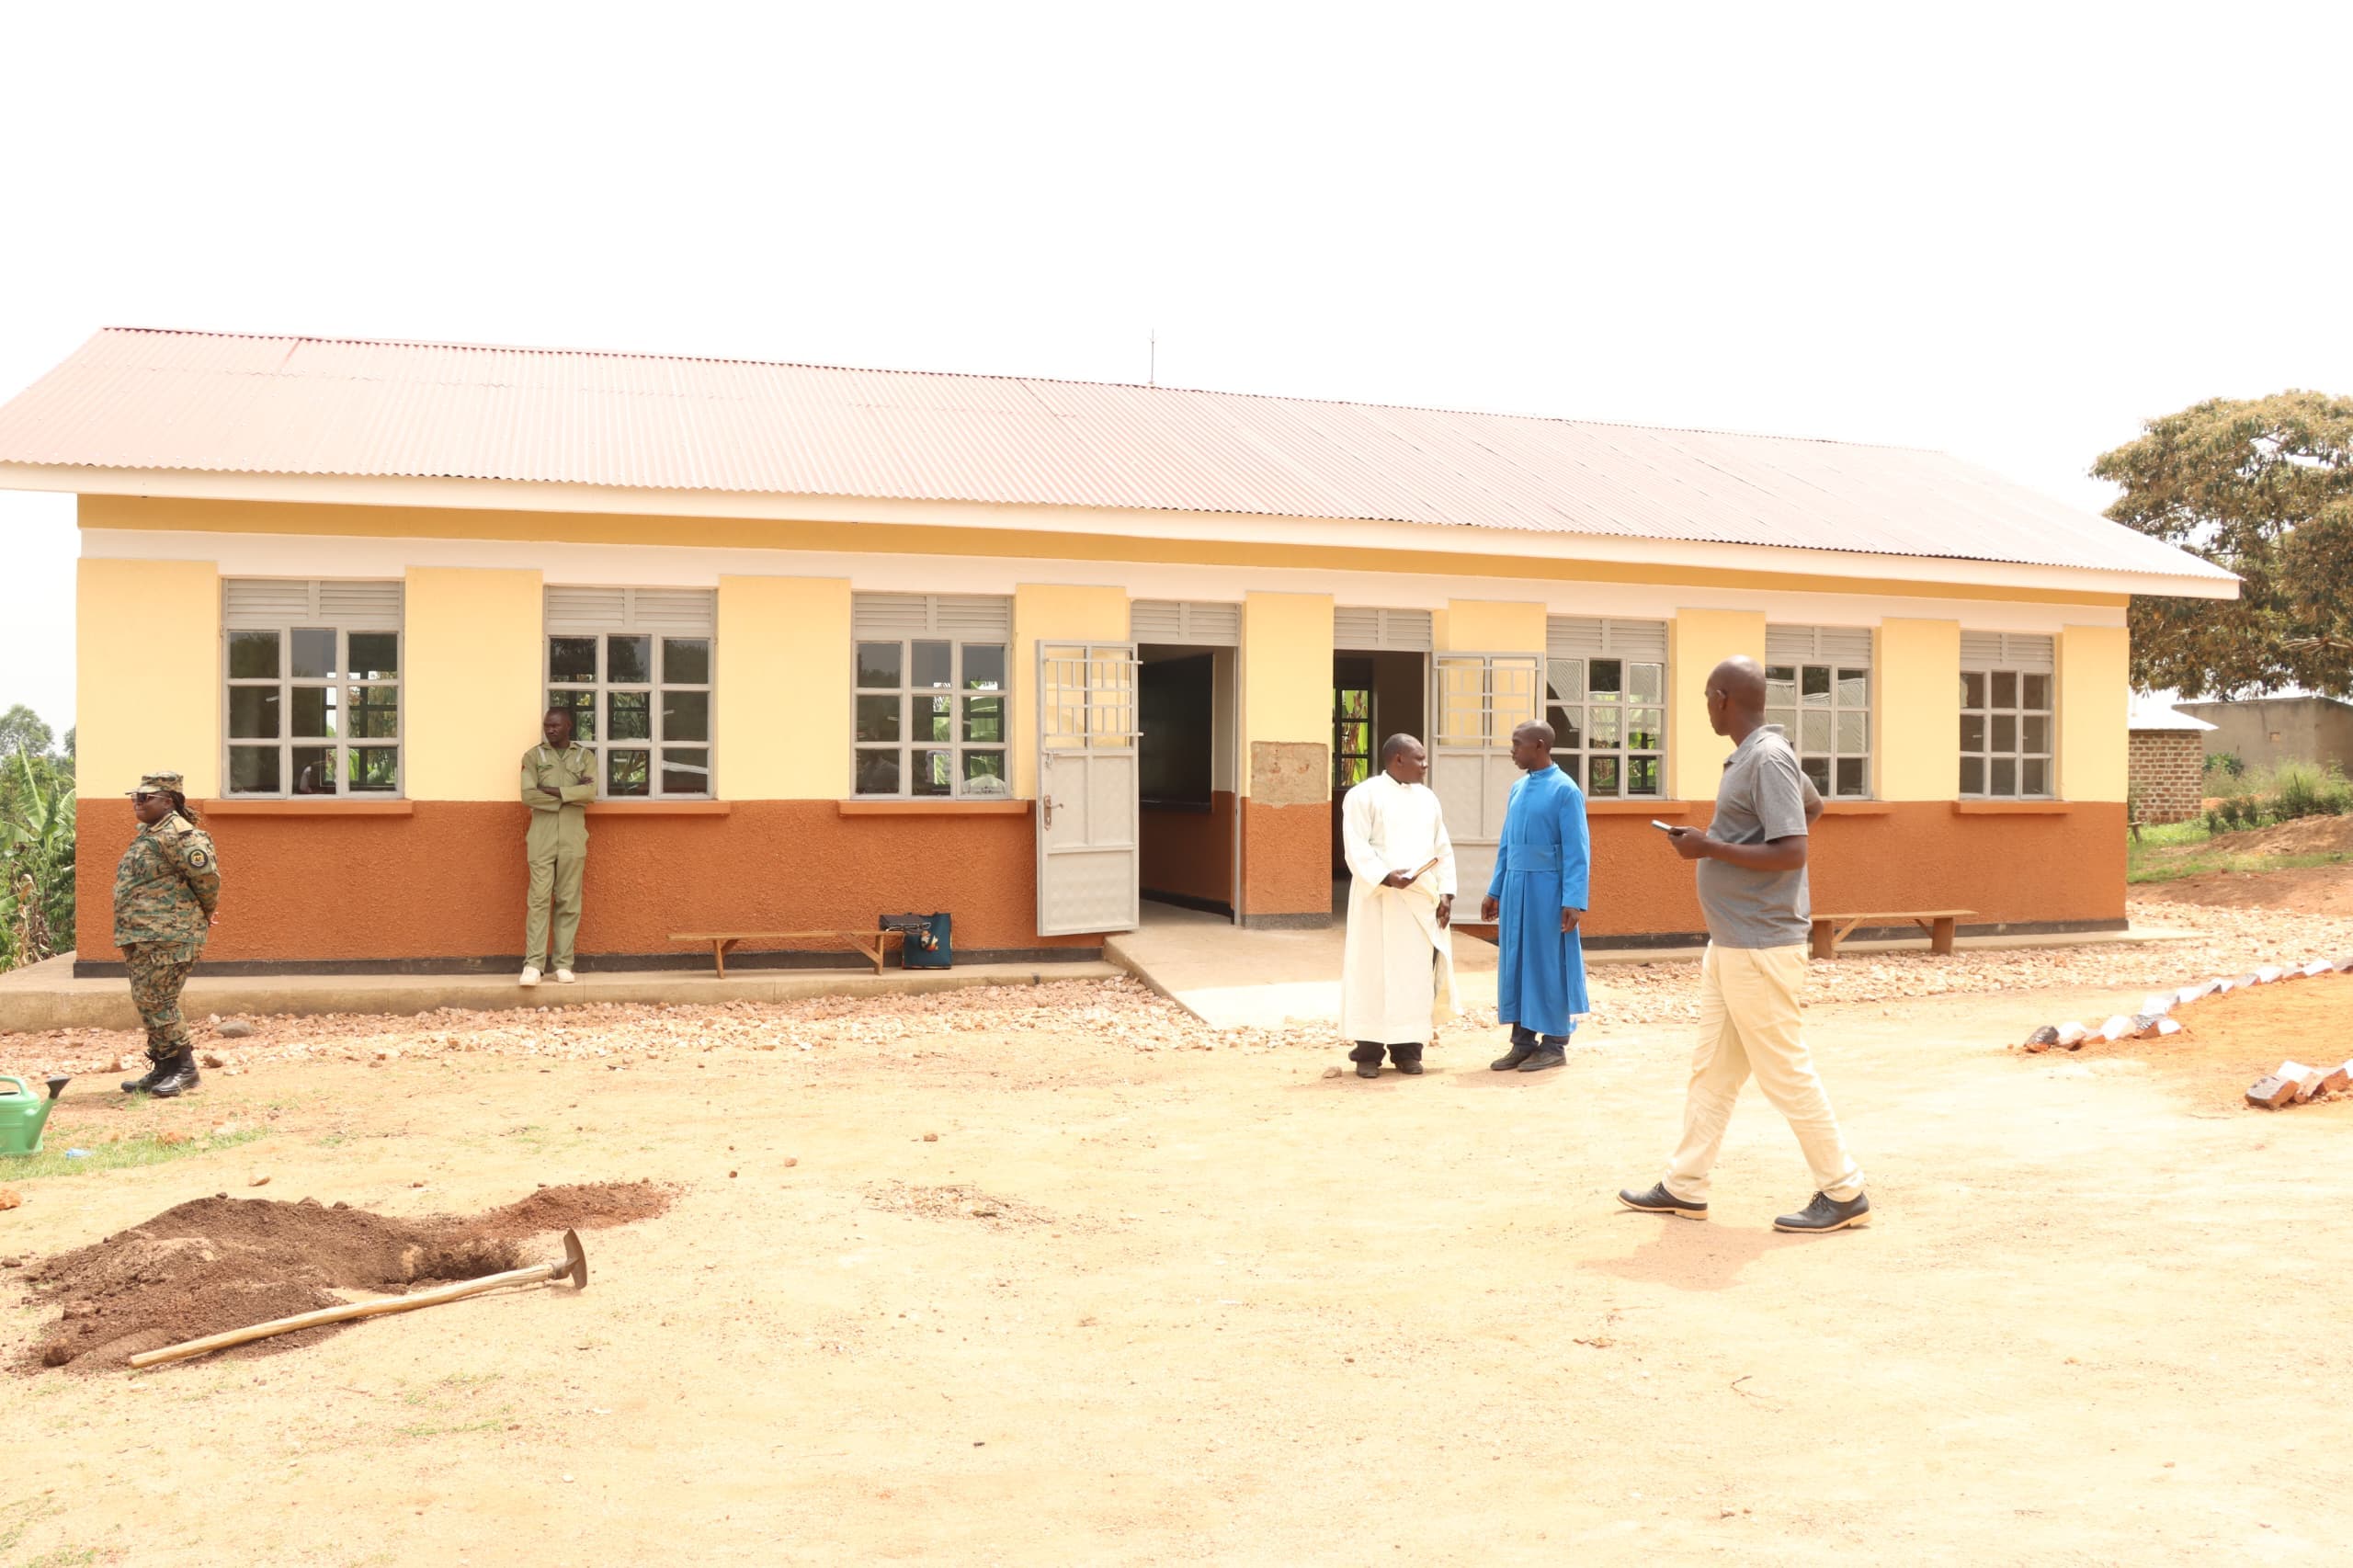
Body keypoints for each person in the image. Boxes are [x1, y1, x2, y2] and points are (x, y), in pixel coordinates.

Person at [1620, 655, 1870, 1233]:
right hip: (1733, 942)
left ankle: (1845, 1190)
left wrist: (1710, 848)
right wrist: (1719, 844)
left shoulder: (1765, 757)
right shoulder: (1756, 755)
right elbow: (1813, 806)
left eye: (1707, 698)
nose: (1706, 707)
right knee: (1712, 1070)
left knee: (1784, 1071)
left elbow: (1793, 849)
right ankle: (1685, 1185)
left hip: (1759, 944)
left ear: (1722, 698)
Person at [1338, 733, 1459, 1078]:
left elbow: (1442, 847)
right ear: (1397, 760)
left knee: (1414, 976)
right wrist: (1385, 877)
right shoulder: (1363, 796)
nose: (1425, 765)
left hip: (1419, 902)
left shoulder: (1427, 799)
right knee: (1373, 974)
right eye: (1419, 759)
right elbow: (1355, 846)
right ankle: (1368, 1053)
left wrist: (1447, 893)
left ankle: (1408, 1051)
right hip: (1378, 901)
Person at [1480, 720, 1590, 1073]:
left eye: (1517, 744)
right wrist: (1494, 889)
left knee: (1547, 964)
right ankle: (1522, 1042)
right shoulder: (1517, 789)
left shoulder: (1565, 791)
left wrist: (1573, 899)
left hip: (1548, 890)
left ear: (1539, 745)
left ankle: (1555, 1043)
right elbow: (1506, 845)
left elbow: (1577, 849)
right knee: (1517, 962)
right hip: (1515, 887)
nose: (1512, 751)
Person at [114, 771, 220, 1098]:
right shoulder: (151, 833)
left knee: (160, 1001)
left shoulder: (181, 836)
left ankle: (186, 1070)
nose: (137, 802)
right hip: (143, 933)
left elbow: (208, 881)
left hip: (170, 934)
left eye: (145, 798)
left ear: (168, 801)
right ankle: (165, 1067)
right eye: (135, 796)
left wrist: (204, 913)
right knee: (147, 1001)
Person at [520, 707, 596, 985]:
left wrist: (551, 789)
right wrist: (570, 794)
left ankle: (563, 964)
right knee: (538, 899)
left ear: (568, 726)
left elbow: (590, 793)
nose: (549, 730)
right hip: (541, 836)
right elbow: (528, 796)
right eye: (546, 725)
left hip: (573, 836)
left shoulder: (584, 757)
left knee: (568, 900)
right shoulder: (533, 756)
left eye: (555, 725)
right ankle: (533, 965)